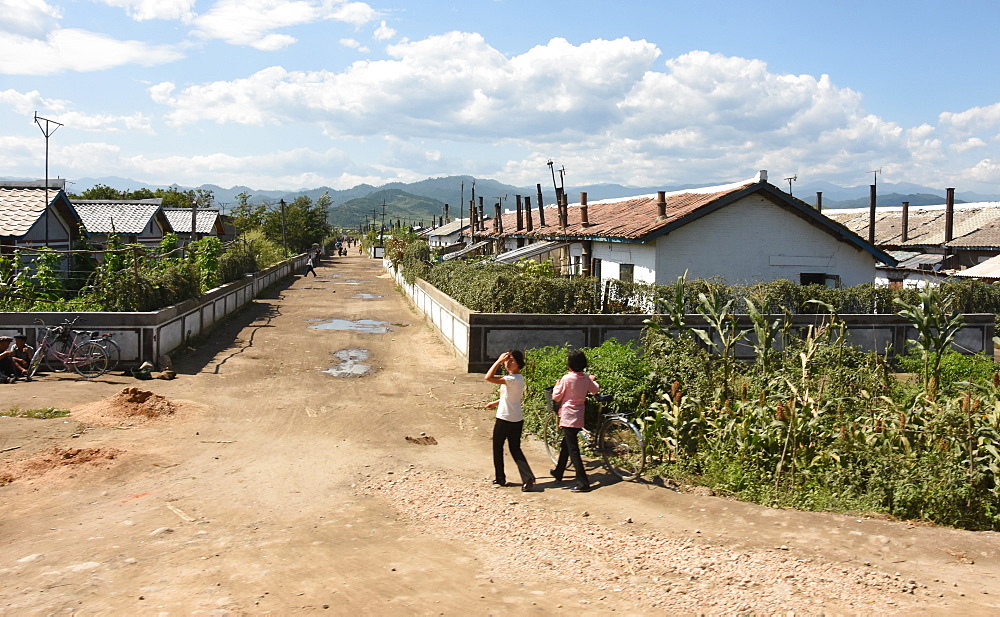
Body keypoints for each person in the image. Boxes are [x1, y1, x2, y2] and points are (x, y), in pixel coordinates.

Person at [484, 349, 536, 492]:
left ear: (519, 364)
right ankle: (528, 477)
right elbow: (509, 396)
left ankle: (500, 478)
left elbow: (488, 377)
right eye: (507, 360)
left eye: (511, 360)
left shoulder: (511, 379)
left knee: (498, 447)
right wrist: (495, 403)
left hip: (504, 418)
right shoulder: (518, 378)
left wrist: (498, 361)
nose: (508, 363)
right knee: (515, 449)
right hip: (516, 418)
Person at [550, 349, 600, 492]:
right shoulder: (585, 378)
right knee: (567, 444)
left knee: (573, 450)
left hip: (568, 416)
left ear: (569, 364)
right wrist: (591, 380)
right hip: (579, 416)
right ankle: (558, 471)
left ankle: (583, 482)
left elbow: (556, 397)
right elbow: (595, 390)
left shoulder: (566, 378)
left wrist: (557, 385)